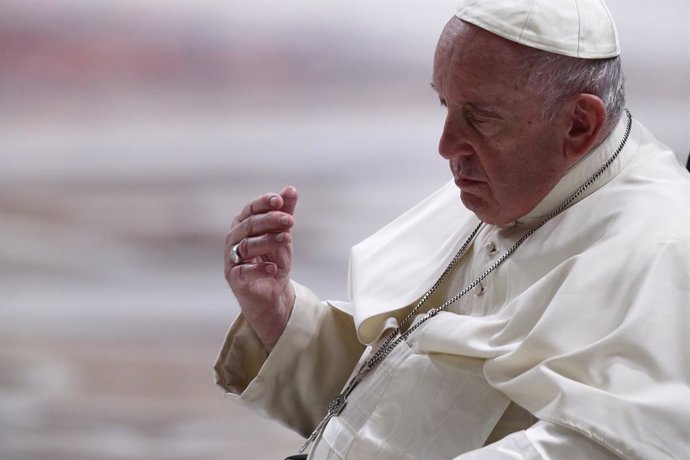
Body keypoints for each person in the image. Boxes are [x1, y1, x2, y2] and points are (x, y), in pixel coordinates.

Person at [215, 0, 690, 458]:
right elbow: (408, 403)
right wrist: (280, 316)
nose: (445, 146)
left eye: (480, 117)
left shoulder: (659, 246)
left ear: (579, 125)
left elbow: (613, 446)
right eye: (445, 103)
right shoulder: (518, 185)